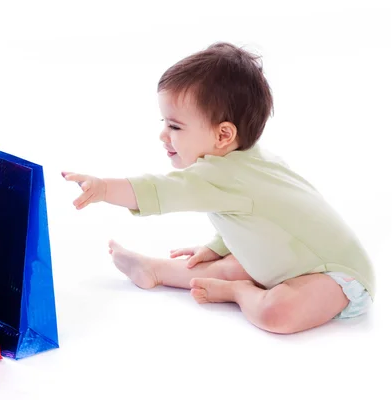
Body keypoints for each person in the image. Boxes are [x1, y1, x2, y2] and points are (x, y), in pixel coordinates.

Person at [62, 42, 374, 334]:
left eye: (174, 126)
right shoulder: (248, 160)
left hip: (336, 275)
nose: (163, 135)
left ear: (223, 135)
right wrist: (219, 244)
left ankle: (240, 293)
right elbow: (265, 220)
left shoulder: (220, 175)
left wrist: (104, 188)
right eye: (164, 123)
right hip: (287, 259)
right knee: (225, 265)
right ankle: (154, 269)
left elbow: (158, 191)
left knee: (276, 313)